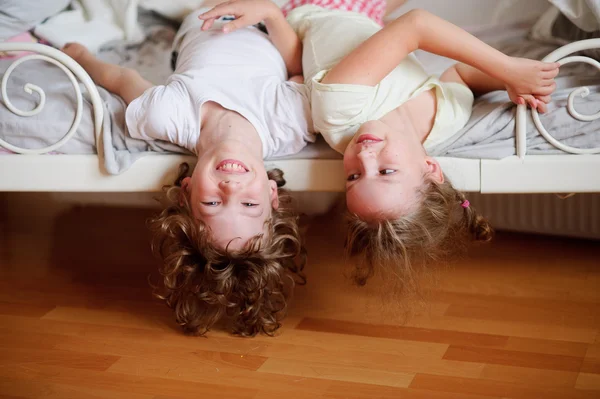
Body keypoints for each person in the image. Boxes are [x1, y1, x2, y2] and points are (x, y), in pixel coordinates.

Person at [200, 0, 560, 293]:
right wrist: (506, 82)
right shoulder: (445, 119)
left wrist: (508, 67)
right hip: (365, 18)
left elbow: (416, 24)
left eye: (354, 176)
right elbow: (461, 75)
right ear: (430, 168)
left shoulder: (342, 111)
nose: (364, 156)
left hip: (321, 7)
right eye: (385, 172)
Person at [61, 1, 313, 336]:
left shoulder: (167, 116)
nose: (231, 189)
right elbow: (297, 66)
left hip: (202, 14)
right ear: (271, 193)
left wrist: (81, 58)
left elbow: (123, 79)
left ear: (187, 190)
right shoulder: (289, 125)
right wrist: (268, 13)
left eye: (211, 204)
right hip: (262, 21)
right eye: (250, 205)